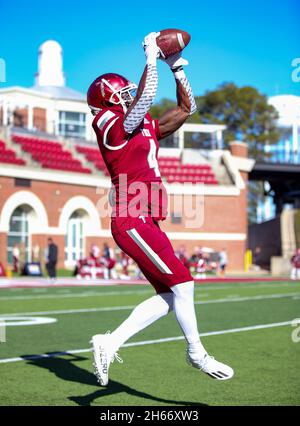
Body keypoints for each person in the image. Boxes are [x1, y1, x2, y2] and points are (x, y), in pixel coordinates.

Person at [87, 32, 234, 386]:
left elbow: (186, 109)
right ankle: (196, 352)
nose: (127, 99)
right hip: (131, 216)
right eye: (119, 95)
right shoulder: (107, 124)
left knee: (170, 294)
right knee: (184, 283)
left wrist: (176, 67)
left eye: (127, 94)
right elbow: (145, 97)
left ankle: (109, 342)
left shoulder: (141, 125)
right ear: (106, 102)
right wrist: (151, 57)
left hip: (145, 218)